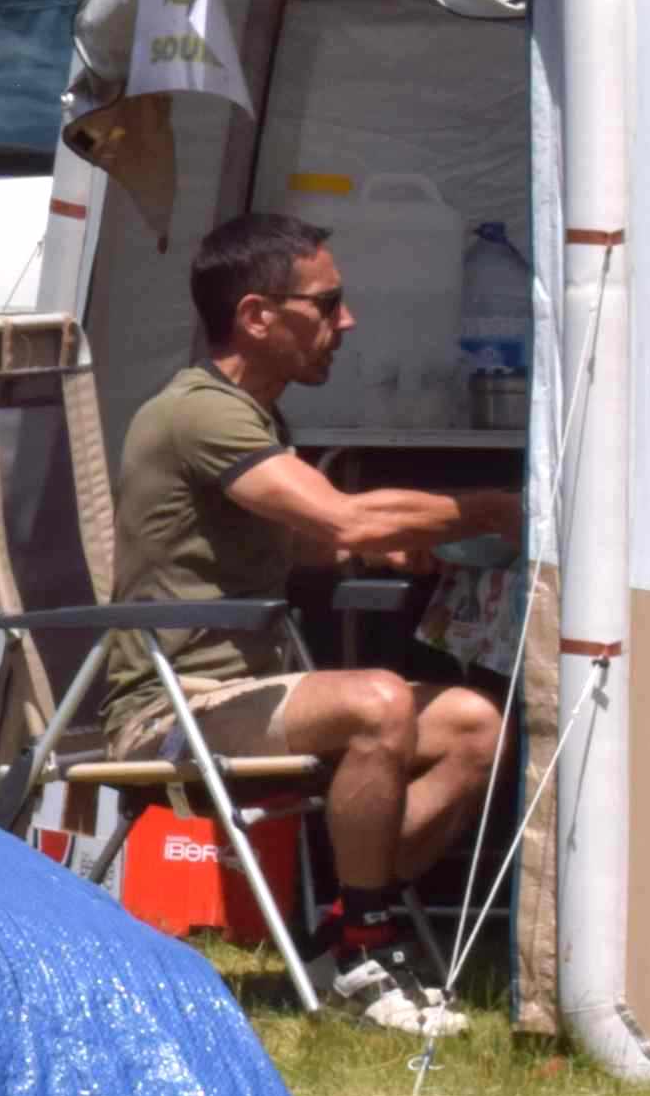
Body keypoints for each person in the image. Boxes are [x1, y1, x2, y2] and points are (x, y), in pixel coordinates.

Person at [111, 212, 521, 1035]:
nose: (348, 320)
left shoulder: (254, 416)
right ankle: (366, 948)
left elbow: (301, 541)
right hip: (170, 709)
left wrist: (383, 551)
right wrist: (499, 508)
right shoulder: (201, 413)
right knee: (378, 701)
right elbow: (343, 517)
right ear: (257, 316)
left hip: (249, 694)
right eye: (327, 304)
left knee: (476, 726)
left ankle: (346, 927)